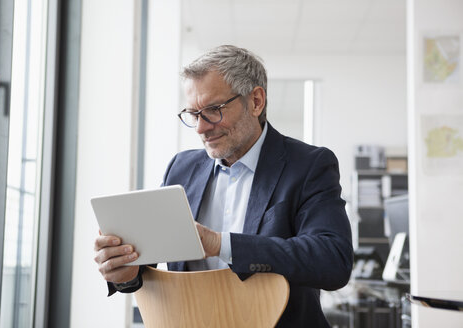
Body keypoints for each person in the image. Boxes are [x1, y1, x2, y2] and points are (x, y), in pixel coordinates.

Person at [94, 45, 353, 327]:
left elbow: (333, 261)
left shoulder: (309, 165)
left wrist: (219, 244)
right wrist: (125, 273)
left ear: (255, 101)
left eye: (213, 110)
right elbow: (148, 265)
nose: (201, 129)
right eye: (193, 114)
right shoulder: (180, 168)